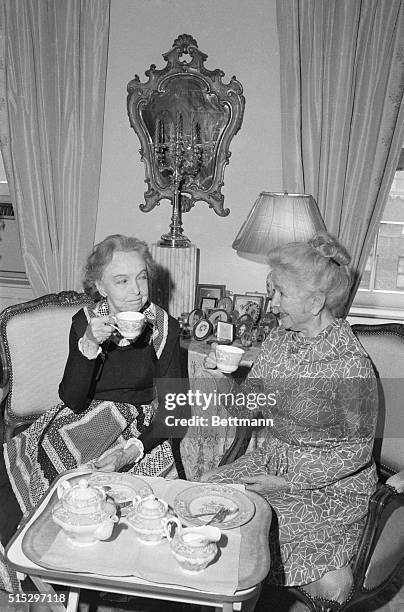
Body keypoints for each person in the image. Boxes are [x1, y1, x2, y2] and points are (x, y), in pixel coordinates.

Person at [0, 234, 186, 593]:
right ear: (100, 286)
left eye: (142, 277)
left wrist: (131, 449)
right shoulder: (85, 321)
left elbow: (175, 412)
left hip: (140, 432)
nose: (136, 291)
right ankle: (36, 582)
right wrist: (87, 347)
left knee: (84, 499)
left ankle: (74, 582)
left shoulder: (164, 327)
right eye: (121, 280)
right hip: (79, 420)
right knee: (13, 479)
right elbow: (71, 399)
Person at [202, 232, 378, 607]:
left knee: (248, 528)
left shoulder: (349, 365)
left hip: (328, 488)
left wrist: (287, 482)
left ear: (315, 302)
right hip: (272, 462)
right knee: (205, 496)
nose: (272, 302)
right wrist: (224, 383)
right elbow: (245, 407)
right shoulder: (281, 340)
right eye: (271, 291)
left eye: (280, 293)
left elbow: (355, 455)